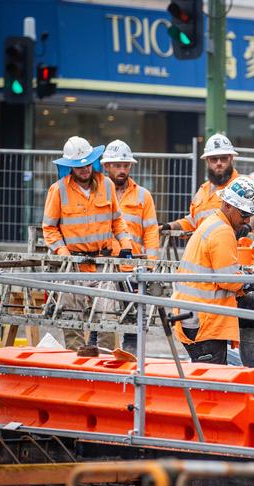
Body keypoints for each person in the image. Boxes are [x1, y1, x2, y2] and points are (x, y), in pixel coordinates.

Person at [42, 136, 133, 351]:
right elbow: (49, 228)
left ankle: (107, 359)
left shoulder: (106, 184)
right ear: (70, 167)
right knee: (71, 317)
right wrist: (64, 253)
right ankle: (76, 359)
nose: (84, 169)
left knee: (107, 315)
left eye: (87, 164)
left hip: (102, 261)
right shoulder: (59, 190)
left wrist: (126, 244)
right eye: (78, 166)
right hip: (72, 263)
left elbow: (117, 219)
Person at [172, 175, 254, 366]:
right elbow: (229, 281)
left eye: (249, 215)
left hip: (196, 312)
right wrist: (251, 281)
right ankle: (253, 366)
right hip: (203, 319)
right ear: (228, 206)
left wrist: (244, 278)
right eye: (243, 215)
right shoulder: (222, 231)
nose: (247, 220)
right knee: (211, 382)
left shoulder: (215, 223)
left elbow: (223, 272)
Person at [101, 139, 159, 354]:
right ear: (106, 166)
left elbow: (151, 231)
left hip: (133, 270)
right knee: (101, 322)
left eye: (125, 165)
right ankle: (103, 366)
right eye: (117, 165)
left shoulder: (143, 195)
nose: (122, 170)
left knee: (134, 325)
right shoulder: (98, 195)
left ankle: (131, 367)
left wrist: (150, 267)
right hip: (105, 269)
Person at [160, 134, 254, 240]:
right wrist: (170, 226)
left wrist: (247, 226)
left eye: (223, 158)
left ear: (231, 158)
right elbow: (192, 222)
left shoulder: (245, 185)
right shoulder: (203, 191)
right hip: (208, 252)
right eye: (214, 159)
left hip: (240, 252)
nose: (219, 163)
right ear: (207, 161)